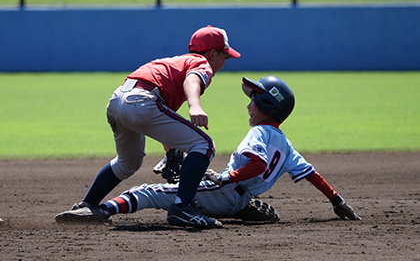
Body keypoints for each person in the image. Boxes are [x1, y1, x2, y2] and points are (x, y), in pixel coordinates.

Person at [55, 76, 360, 225]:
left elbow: (256, 164)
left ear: (268, 105)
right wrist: (337, 201)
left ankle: (100, 210)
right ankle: (239, 209)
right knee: (202, 183)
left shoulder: (258, 132)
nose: (248, 104)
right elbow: (313, 175)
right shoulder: (286, 144)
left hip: (226, 192)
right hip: (239, 196)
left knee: (149, 191)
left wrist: (227, 180)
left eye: (254, 99)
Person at [54, 25, 241, 229]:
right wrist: (195, 106)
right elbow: (192, 80)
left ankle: (86, 206)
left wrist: (171, 150)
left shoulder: (175, 63)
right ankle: (182, 208)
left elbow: (163, 117)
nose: (225, 61)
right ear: (213, 53)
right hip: (142, 101)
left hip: (118, 101)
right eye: (225, 56)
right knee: (204, 145)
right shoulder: (200, 63)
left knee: (128, 163)